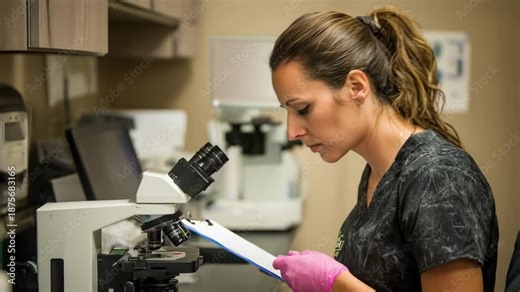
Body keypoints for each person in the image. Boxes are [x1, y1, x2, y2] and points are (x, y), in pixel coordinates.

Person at [269, 5, 499, 292]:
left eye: (303, 108)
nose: (292, 132)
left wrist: (335, 283)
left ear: (356, 86)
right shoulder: (378, 172)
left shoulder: (437, 176)